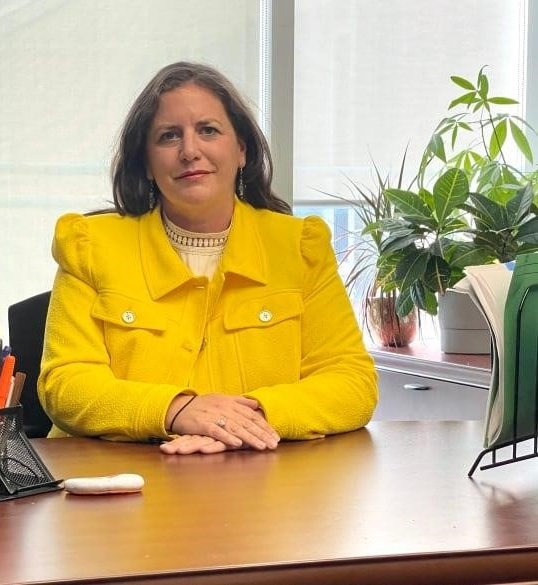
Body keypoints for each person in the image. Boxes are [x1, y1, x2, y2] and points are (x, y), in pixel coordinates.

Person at [37, 61, 377, 455]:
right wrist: (176, 410)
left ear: (242, 150)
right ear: (146, 163)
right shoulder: (90, 246)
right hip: (122, 489)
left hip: (264, 489)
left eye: (208, 130)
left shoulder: (298, 247)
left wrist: (244, 420)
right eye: (168, 136)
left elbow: (352, 381)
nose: (190, 151)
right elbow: (65, 383)